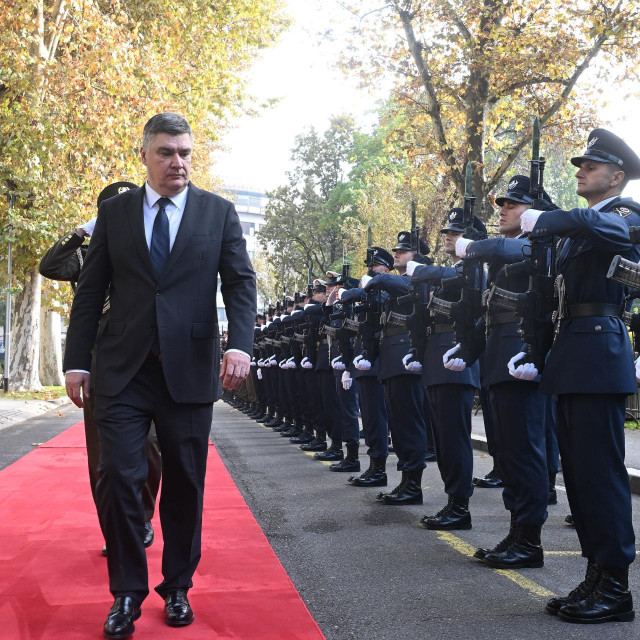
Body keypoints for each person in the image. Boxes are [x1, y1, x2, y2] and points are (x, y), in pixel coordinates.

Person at [63, 113, 256, 639]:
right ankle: (126, 592)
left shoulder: (218, 213)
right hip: (122, 372)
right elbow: (89, 292)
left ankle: (177, 587)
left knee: (186, 484)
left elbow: (240, 283)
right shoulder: (116, 213)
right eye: (168, 152)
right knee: (119, 477)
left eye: (186, 153)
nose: (179, 162)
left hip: (188, 371)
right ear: (145, 155)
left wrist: (239, 343)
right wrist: (76, 360)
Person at [519, 129, 640, 624]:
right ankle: (595, 575)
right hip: (573, 354)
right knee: (581, 475)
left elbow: (612, 233)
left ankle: (615, 586)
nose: (581, 172)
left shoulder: (624, 212)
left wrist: (546, 217)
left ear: (616, 176)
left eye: (591, 166)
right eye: (579, 166)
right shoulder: (580, 229)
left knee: (602, 474)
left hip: (599, 350)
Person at [39, 182, 162, 557]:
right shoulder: (87, 252)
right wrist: (81, 233)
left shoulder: (150, 243)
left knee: (151, 447)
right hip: (100, 360)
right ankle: (117, 525)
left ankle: (141, 516)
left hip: (146, 358)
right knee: (105, 456)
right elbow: (51, 266)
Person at [406, 209, 485, 530]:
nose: (449, 237)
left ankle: (459, 505)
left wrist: (426, 272)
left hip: (456, 359)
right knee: (442, 439)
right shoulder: (453, 270)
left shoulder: (473, 269)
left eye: (456, 232)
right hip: (439, 359)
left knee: (454, 438)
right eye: (448, 232)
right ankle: (453, 500)